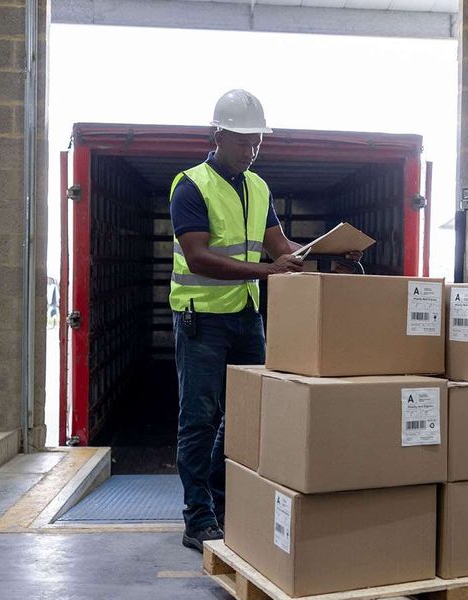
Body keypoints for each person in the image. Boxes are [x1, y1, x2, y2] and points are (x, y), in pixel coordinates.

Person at [169, 89, 304, 551]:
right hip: (202, 320)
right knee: (200, 418)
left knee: (249, 411)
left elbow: (277, 245)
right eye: (243, 142)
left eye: (257, 143)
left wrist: (315, 255)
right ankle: (197, 517)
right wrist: (270, 270)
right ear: (218, 135)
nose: (250, 151)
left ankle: (224, 499)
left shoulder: (259, 187)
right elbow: (199, 257)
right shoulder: (191, 185)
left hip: (246, 318)